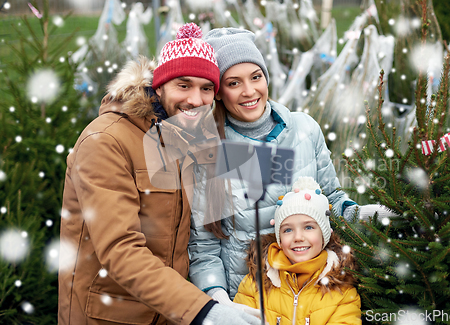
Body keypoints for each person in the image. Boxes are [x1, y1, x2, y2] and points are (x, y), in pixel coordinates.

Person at [58, 23, 260, 325]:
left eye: (206, 88)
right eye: (184, 85)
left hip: (168, 315)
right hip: (107, 317)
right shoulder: (107, 141)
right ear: (160, 85)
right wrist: (203, 311)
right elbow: (121, 250)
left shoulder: (188, 138)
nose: (195, 99)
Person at [188, 27, 397, 304]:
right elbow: (204, 246)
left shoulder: (304, 130)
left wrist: (366, 214)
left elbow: (330, 201)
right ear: (218, 92)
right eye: (234, 83)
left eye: (256, 77)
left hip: (310, 295)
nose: (249, 91)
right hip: (248, 300)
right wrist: (218, 300)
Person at [234, 177, 362, 325]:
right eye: (288, 230)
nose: (298, 237)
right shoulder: (255, 283)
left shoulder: (343, 291)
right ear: (279, 239)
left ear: (324, 235)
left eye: (308, 227)